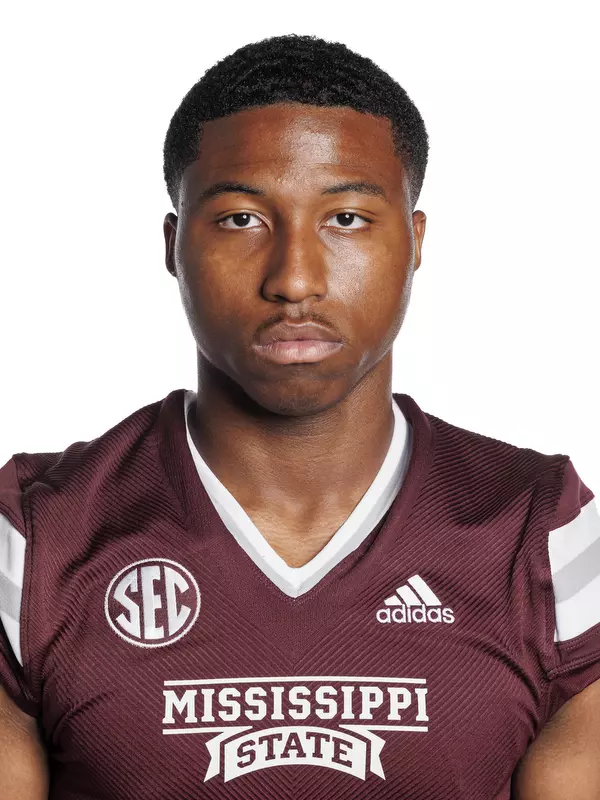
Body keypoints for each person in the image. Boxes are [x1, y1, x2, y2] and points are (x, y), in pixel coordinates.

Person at [0, 32, 598, 800]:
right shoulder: (36, 539)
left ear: (414, 241)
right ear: (173, 245)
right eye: (241, 219)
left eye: (345, 218)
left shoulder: (541, 534)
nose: (295, 279)